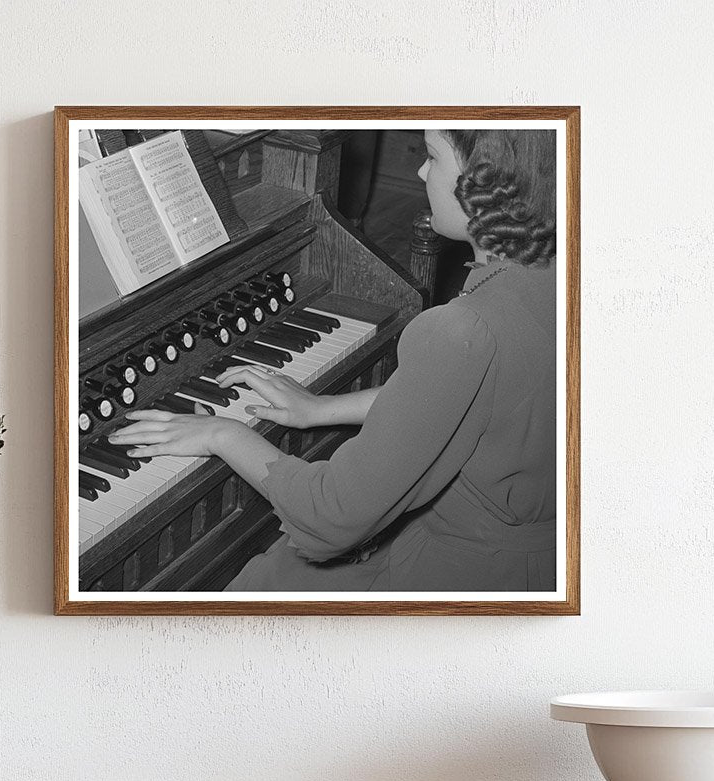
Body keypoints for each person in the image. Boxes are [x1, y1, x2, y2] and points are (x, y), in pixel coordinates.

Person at [107, 128, 557, 592]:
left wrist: (223, 432)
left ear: (485, 181)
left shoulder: (462, 329)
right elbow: (471, 394)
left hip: (470, 570)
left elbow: (332, 516)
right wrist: (322, 408)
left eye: (432, 157)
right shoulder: (550, 269)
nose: (421, 171)